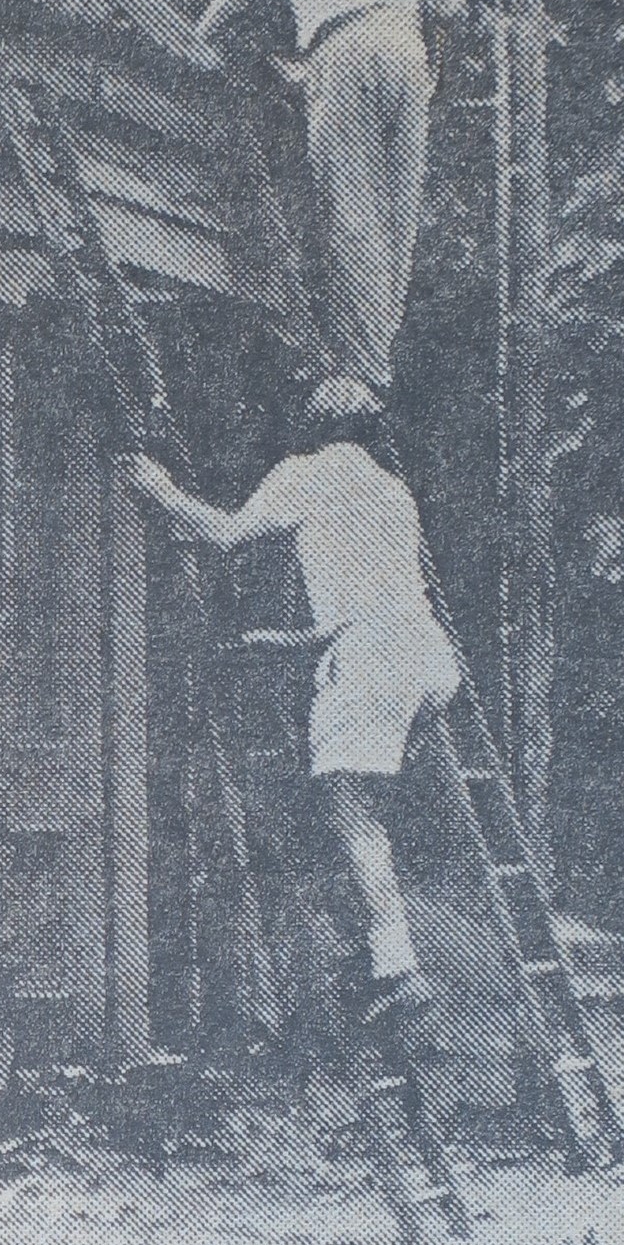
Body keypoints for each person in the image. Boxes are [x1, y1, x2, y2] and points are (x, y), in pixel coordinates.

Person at [130, 378, 461, 1037]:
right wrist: (286, 642)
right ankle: (376, 943)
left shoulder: (305, 472)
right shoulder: (392, 491)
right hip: (428, 657)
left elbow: (224, 536)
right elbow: (376, 603)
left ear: (314, 429)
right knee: (367, 811)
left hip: (370, 659)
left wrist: (160, 491)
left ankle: (395, 964)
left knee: (348, 813)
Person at [190, 0, 467, 401]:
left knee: (352, 214)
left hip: (343, 50)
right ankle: (379, 358)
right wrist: (431, 68)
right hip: (407, 56)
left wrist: (194, 36)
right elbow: (452, 2)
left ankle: (366, 376)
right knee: (398, 222)